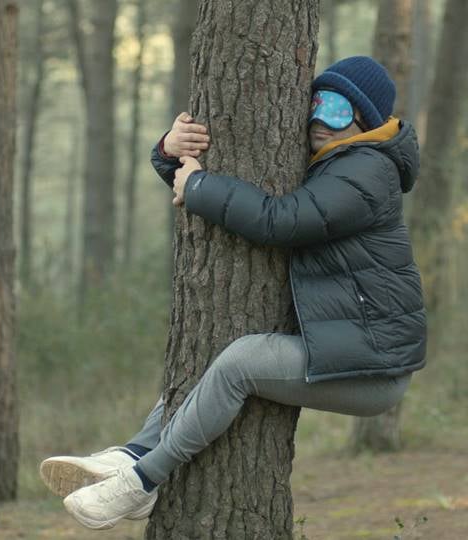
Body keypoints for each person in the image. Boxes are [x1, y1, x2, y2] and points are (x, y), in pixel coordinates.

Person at [39, 56, 426, 530]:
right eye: (317, 104)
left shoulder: (366, 170)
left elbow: (278, 219)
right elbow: (235, 200)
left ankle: (141, 480)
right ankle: (134, 451)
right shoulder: (328, 167)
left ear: (364, 121)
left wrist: (199, 184)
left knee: (242, 360)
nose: (322, 119)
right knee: (211, 352)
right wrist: (170, 152)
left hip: (374, 368)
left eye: (340, 110)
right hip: (348, 348)